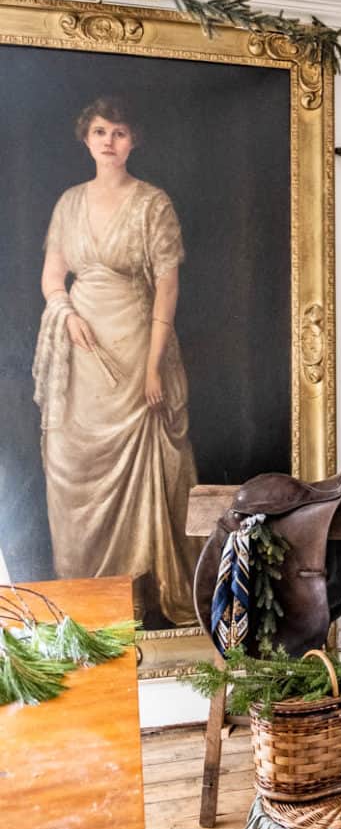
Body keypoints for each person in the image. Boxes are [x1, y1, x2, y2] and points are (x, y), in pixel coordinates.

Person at [32, 96, 200, 625]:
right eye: (100, 131)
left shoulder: (153, 203)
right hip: (81, 348)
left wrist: (152, 367)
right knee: (69, 458)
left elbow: (167, 288)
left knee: (146, 454)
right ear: (86, 138)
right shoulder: (69, 202)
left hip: (135, 341)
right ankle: (88, 598)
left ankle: (138, 592)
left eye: (120, 132)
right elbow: (53, 277)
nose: (109, 140)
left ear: (134, 140)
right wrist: (65, 312)